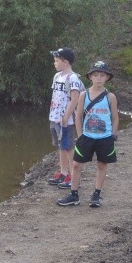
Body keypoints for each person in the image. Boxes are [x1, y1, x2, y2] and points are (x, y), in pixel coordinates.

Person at [57, 61, 119, 208]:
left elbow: (115, 117)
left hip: (105, 137)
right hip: (87, 137)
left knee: (102, 164)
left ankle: (96, 194)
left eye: (102, 75)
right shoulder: (83, 95)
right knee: (76, 164)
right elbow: (78, 117)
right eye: (95, 75)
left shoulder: (110, 97)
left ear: (107, 77)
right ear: (90, 77)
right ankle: (74, 194)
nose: (99, 78)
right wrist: (80, 135)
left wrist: (113, 134)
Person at [47, 47, 84, 189]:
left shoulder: (73, 78)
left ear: (66, 62)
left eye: (57, 61)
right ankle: (63, 173)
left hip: (66, 120)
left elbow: (75, 99)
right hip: (55, 117)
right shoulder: (57, 77)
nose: (54, 63)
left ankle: (73, 176)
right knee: (61, 146)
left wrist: (66, 116)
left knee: (68, 147)